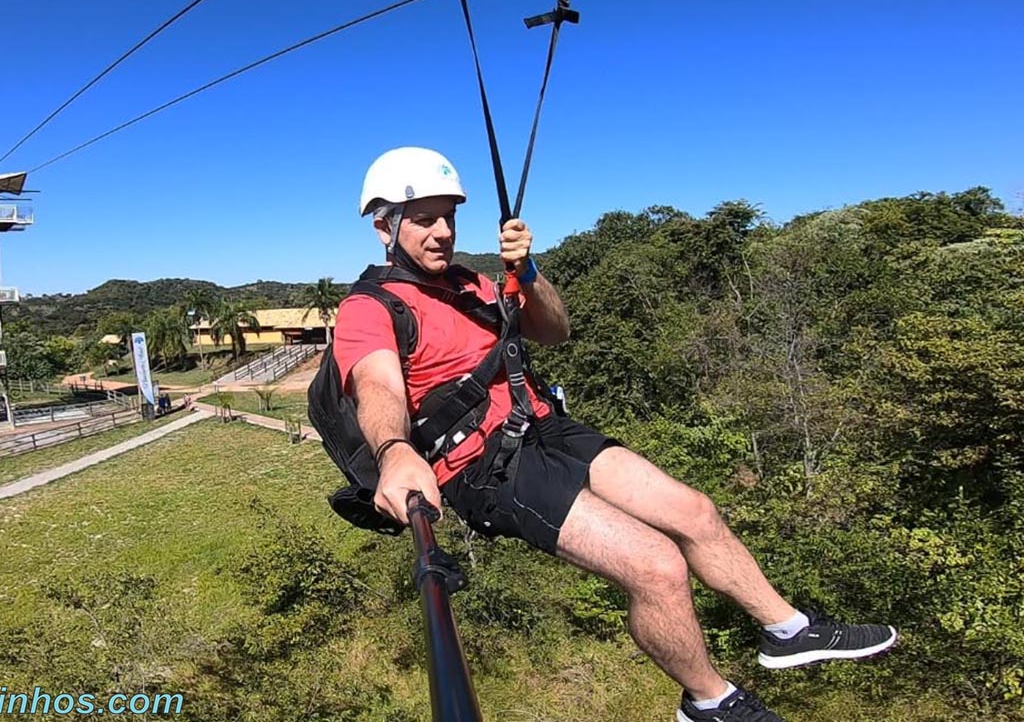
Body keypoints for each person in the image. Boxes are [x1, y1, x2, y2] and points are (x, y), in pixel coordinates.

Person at [332, 146, 898, 722]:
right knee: (657, 565)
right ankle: (709, 702)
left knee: (695, 512)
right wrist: (396, 450)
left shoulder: (474, 283)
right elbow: (376, 385)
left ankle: (789, 631)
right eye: (425, 219)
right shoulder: (368, 306)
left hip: (544, 425)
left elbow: (554, 330)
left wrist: (527, 273)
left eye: (449, 216)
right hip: (483, 466)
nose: (443, 232)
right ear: (385, 225)